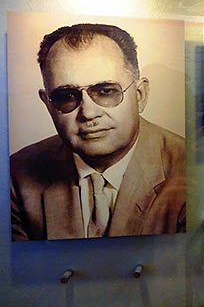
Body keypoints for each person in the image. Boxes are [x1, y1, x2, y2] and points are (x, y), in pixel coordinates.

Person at [10, 23, 186, 241]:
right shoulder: (16, 175)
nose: (89, 113)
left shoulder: (191, 170)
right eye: (67, 96)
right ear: (48, 104)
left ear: (140, 95)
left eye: (105, 91)